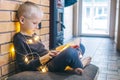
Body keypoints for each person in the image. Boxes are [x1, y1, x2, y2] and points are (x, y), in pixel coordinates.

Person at [13, 1, 91, 75]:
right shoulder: (19, 39)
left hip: (50, 59)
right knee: (71, 52)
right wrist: (44, 58)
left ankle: (75, 61)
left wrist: (55, 53)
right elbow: (23, 66)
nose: (37, 27)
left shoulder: (34, 35)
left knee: (81, 46)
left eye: (38, 23)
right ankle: (81, 64)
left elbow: (43, 51)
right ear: (22, 20)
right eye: (34, 23)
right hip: (45, 66)